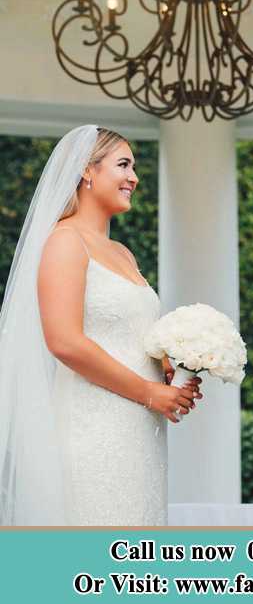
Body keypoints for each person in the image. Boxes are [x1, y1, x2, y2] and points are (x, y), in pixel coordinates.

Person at [0, 125, 201, 525]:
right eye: (123, 164)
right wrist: (147, 392)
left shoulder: (123, 254)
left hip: (140, 429)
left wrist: (171, 373)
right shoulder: (64, 241)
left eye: (134, 166)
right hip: (93, 426)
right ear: (87, 171)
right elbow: (64, 342)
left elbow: (130, 335)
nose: (134, 177)